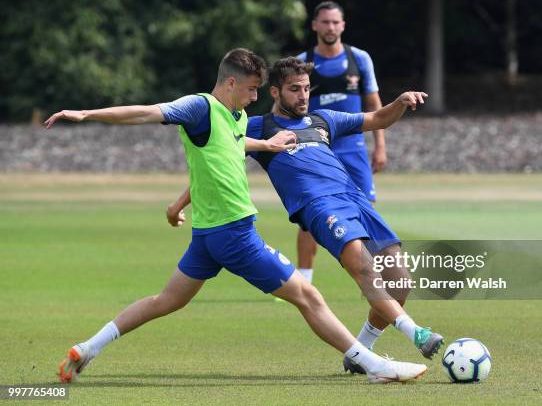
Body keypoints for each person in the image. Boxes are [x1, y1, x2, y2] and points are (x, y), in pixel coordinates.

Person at [44, 48, 427, 385]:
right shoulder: (201, 107)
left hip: (206, 236)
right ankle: (373, 363)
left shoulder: (237, 119)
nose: (256, 97)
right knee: (308, 296)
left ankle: (87, 348)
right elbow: (146, 112)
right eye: (252, 90)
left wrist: (184, 201)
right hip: (234, 233)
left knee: (166, 300)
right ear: (230, 83)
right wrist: (85, 113)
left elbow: (233, 149)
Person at [167, 57, 444, 376]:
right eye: (294, 89)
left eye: (307, 89)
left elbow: (379, 118)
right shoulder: (257, 127)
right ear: (274, 92)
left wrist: (400, 102)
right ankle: (417, 334)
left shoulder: (324, 119)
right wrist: (179, 204)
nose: (303, 96)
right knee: (365, 270)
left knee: (400, 280)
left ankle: (361, 350)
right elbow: (214, 167)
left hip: (356, 201)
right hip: (320, 208)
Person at [293, 1, 386, 286]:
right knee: (310, 216)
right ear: (315, 25)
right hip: (317, 150)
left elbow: (374, 105)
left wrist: (380, 145)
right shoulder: (302, 62)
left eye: (335, 22)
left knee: (366, 211)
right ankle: (304, 280)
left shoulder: (359, 59)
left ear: (343, 26)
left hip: (354, 150)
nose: (330, 27)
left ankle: (378, 277)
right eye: (325, 22)